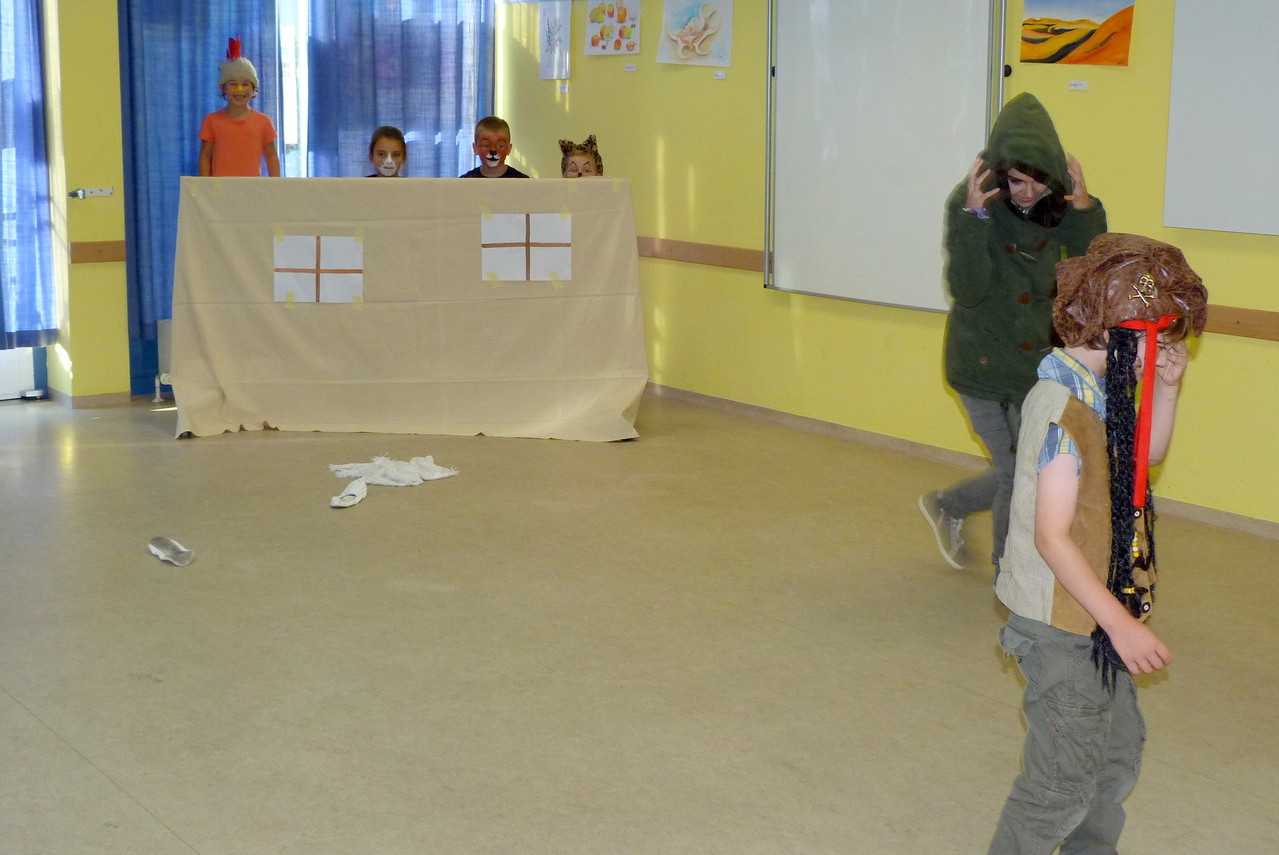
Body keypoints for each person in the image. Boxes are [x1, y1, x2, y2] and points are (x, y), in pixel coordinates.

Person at [988, 233, 1208, 854]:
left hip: (1094, 614)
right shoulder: (1062, 410)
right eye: (1155, 340)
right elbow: (1052, 538)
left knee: (1114, 754)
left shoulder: (1099, 390)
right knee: (1060, 783)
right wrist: (1122, 627)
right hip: (1062, 625)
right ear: (1113, 335)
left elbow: (1145, 457)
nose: (1162, 353)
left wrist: (1166, 388)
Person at [919, 92, 1106, 569]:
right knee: (1015, 474)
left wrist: (1085, 210)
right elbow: (967, 290)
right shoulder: (972, 204)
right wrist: (974, 219)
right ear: (1000, 174)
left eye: (1039, 182)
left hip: (1032, 366)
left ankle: (948, 505)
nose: (1027, 193)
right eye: (1018, 181)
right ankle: (1010, 574)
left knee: (1028, 470)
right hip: (978, 363)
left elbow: (1089, 272)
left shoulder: (1056, 206)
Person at [198, 37, 280, 178]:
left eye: (245, 84)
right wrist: (205, 186)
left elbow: (271, 155)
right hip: (220, 188)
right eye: (233, 84)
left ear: (254, 88)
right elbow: (205, 156)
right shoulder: (212, 120)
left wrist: (277, 185)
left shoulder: (264, 122)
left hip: (252, 188)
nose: (240, 89)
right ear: (223, 87)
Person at [459, 115, 529, 179]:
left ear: (509, 149)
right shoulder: (465, 182)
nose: (493, 150)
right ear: (475, 148)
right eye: (486, 145)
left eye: (500, 146)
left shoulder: (522, 182)